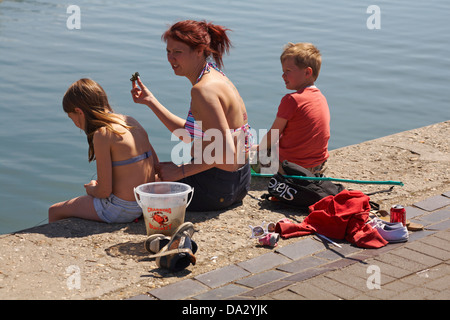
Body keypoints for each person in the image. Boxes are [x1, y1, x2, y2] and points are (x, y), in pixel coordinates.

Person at [131, 20, 252, 211]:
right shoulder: (215, 75)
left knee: (133, 193)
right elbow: (194, 134)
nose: (171, 59)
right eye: (168, 52)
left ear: (199, 51)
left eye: (177, 52)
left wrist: (180, 171)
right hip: (238, 182)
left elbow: (225, 150)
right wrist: (150, 101)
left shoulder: (203, 91)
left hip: (216, 189)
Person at [49, 78, 159, 223]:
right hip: (145, 203)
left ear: (79, 112)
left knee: (55, 211)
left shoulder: (102, 134)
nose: (75, 124)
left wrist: (91, 189)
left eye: (72, 118)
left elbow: (104, 191)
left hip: (122, 209)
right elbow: (156, 166)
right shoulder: (130, 121)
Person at [254, 42, 330, 175]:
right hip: (318, 167)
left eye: (288, 71)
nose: (283, 76)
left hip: (292, 169)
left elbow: (273, 135)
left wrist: (258, 149)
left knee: (238, 156)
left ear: (307, 72)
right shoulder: (320, 98)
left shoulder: (292, 100)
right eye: (283, 72)